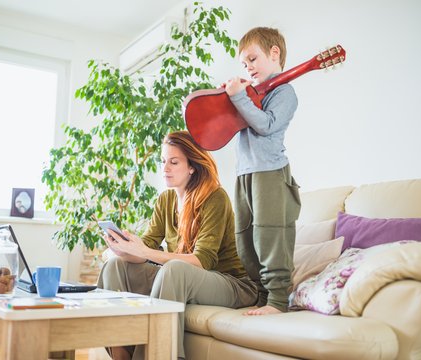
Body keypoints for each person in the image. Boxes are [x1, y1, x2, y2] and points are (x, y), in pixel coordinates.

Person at [97, 130, 257, 360]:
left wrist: (144, 251)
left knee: (174, 269)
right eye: (163, 162)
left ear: (192, 165)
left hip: (231, 282)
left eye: (173, 162)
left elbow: (202, 261)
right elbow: (147, 249)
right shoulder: (166, 199)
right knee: (115, 266)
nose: (165, 168)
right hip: (185, 278)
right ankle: (120, 354)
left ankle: (159, 355)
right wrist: (124, 250)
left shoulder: (215, 198)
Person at [224, 27, 301, 316]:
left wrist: (239, 98)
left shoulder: (285, 92)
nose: (248, 67)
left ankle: (278, 301)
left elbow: (266, 125)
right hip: (245, 173)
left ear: (274, 53)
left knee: (269, 235)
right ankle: (262, 295)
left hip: (270, 172)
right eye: (244, 64)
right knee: (245, 237)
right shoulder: (251, 93)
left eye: (253, 59)